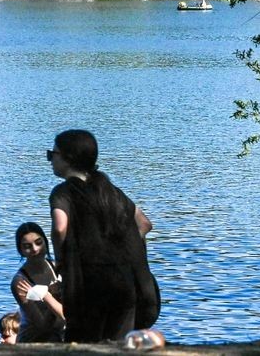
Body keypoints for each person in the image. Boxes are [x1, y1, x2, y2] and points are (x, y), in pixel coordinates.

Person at [48, 129, 157, 343]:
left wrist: (61, 261)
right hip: (124, 284)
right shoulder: (110, 190)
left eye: (53, 154)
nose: (50, 159)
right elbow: (144, 224)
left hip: (87, 288)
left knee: (84, 345)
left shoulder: (63, 192)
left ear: (68, 158)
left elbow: (60, 228)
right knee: (120, 346)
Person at [10, 222, 65, 342]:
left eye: (39, 242)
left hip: (61, 334)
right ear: (21, 251)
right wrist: (49, 296)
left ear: (46, 242)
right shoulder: (20, 282)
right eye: (27, 246)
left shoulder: (57, 267)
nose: (35, 249)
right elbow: (42, 326)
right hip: (34, 339)